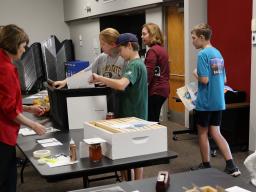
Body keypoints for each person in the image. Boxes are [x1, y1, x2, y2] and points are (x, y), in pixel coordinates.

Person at [90, 33, 148, 180]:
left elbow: (122, 85)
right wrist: (107, 82)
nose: (120, 55)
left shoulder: (134, 65)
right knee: (132, 152)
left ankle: (136, 184)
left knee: (133, 153)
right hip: (131, 115)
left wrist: (100, 78)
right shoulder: (136, 63)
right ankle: (131, 182)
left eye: (121, 50)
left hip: (133, 116)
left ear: (129, 46)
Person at [0, 24, 47, 192]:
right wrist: (33, 125)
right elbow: (9, 109)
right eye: (23, 45)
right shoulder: (5, 69)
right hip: (2, 135)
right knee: (6, 182)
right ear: (13, 44)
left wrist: (28, 109)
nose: (24, 49)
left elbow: (5, 101)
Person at [190, 23, 241, 177]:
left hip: (206, 102)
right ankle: (231, 165)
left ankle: (206, 164)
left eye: (193, 38)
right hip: (218, 100)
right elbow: (223, 78)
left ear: (201, 37)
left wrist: (195, 74)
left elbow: (204, 80)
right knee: (216, 132)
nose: (192, 41)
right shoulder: (218, 53)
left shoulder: (202, 55)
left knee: (203, 133)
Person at [53, 28, 128, 115]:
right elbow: (87, 71)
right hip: (104, 101)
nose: (101, 46)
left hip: (120, 102)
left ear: (113, 44)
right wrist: (65, 81)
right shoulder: (102, 57)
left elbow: (124, 83)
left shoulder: (124, 58)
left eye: (103, 44)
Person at [141, 23, 170, 122]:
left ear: (152, 34)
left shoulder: (152, 51)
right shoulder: (161, 49)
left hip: (156, 90)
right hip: (163, 89)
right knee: (154, 118)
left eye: (144, 34)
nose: (142, 37)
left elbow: (147, 74)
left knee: (151, 121)